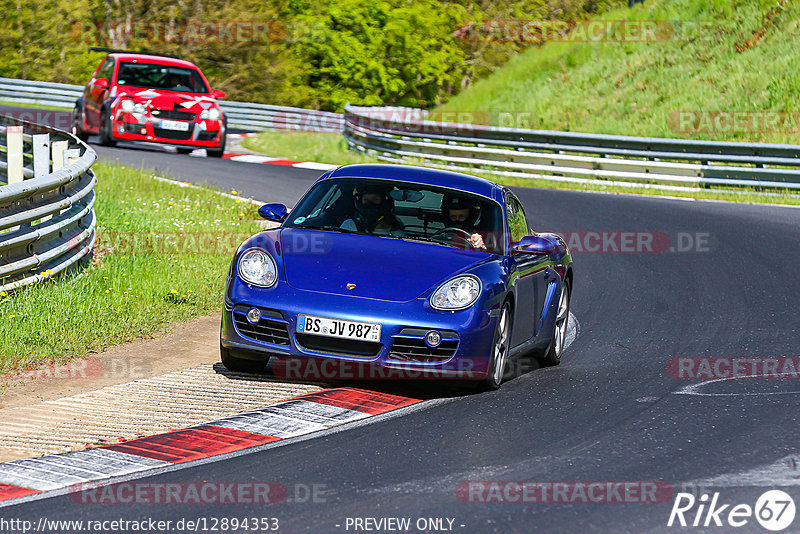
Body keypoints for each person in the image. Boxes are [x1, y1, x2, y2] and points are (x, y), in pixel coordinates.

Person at [341, 184, 405, 236]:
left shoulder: (397, 234)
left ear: (384, 202)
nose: (369, 204)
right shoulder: (349, 226)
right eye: (365, 200)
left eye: (375, 199)